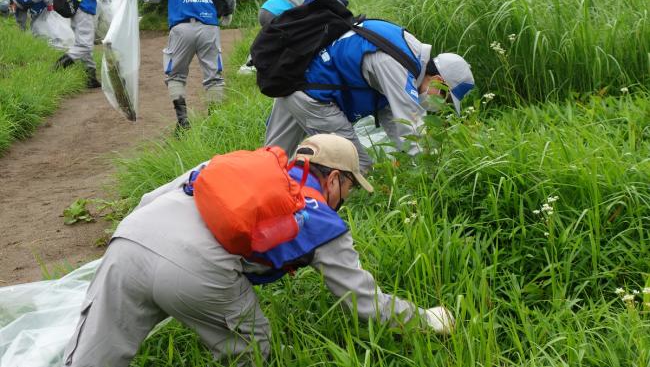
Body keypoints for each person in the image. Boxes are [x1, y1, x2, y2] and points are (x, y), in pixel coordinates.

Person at [62, 134, 454, 367]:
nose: (346, 199)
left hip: (132, 236)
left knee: (95, 356)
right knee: (256, 349)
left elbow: (152, 196)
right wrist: (428, 319)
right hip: (196, 269)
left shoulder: (244, 166)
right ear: (335, 179)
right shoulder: (324, 222)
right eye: (350, 190)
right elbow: (361, 302)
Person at [264, 19, 475, 172]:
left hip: (296, 80)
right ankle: (338, 216)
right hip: (311, 94)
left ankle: (265, 203)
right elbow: (409, 127)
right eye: (445, 98)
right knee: (357, 168)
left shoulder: (404, 52)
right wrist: (431, 174)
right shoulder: (397, 65)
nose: (439, 105)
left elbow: (393, 120)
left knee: (272, 158)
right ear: (438, 79)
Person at [121, 0, 236, 130]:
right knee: (214, 76)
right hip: (209, 26)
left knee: (175, 75)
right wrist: (228, 11)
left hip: (181, 28)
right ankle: (215, 123)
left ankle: (183, 122)